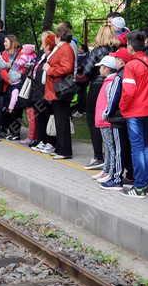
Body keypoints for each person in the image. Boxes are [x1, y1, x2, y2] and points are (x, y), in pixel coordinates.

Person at [119, 31, 148, 199]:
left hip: (134, 112)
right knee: (146, 146)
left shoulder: (131, 66)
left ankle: (139, 187)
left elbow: (128, 92)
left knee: (137, 149)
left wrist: (123, 108)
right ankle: (147, 184)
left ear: (130, 47)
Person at [81, 24, 120, 170]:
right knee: (110, 121)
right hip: (115, 85)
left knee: (94, 121)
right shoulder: (118, 50)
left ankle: (98, 156)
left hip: (97, 86)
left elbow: (87, 70)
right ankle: (112, 156)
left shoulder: (97, 51)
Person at [42, 23, 77, 159]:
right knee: (59, 120)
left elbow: (67, 68)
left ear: (58, 37)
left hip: (61, 89)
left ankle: (65, 151)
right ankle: (60, 148)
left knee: (62, 121)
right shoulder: (62, 48)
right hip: (56, 89)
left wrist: (49, 70)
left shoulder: (65, 48)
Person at [92, 56, 125, 190]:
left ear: (106, 68)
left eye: (101, 67)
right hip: (102, 120)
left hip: (106, 121)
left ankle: (111, 172)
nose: (100, 69)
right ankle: (106, 170)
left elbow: (110, 101)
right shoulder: (107, 81)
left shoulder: (111, 82)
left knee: (111, 148)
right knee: (107, 147)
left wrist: (106, 115)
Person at [29, 31, 57, 149]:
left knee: (47, 115)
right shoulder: (42, 55)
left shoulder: (52, 56)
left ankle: (49, 141)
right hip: (37, 90)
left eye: (44, 39)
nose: (42, 41)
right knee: (39, 116)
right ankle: (41, 140)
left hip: (46, 91)